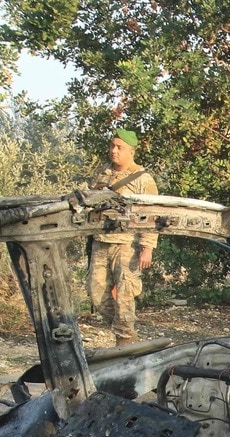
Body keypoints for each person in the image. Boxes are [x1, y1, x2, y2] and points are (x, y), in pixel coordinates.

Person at [87, 129, 158, 346]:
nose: (114, 151)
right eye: (112, 146)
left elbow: (152, 213)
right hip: (101, 240)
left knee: (126, 295)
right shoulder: (102, 172)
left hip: (128, 244)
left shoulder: (143, 179)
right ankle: (127, 335)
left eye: (120, 147)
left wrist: (148, 247)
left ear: (131, 152)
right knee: (96, 292)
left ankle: (125, 341)